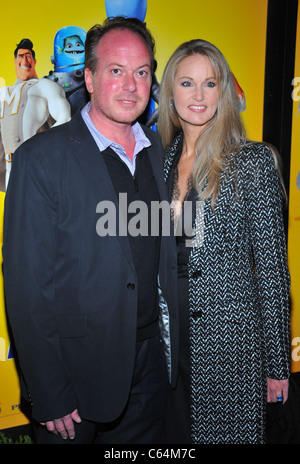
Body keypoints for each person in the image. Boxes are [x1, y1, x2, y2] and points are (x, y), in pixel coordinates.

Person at [2, 17, 178, 444]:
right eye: (116, 71)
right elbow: (27, 286)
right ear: (89, 78)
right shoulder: (40, 159)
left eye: (141, 72)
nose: (131, 85)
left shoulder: (161, 152)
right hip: (75, 375)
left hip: (153, 368)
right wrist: (48, 389)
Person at [157, 39, 290, 444]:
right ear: (170, 92)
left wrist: (277, 365)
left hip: (229, 346)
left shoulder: (251, 161)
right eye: (186, 83)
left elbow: (271, 270)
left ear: (224, 91)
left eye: (210, 83)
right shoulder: (155, 160)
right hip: (164, 344)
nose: (198, 95)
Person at [0, 38, 71, 190]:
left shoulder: (45, 86)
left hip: (36, 167)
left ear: (34, 61)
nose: (24, 60)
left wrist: (38, 150)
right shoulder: (3, 93)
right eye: (21, 56)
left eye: (28, 56)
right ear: (15, 60)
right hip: (10, 169)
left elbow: (65, 119)